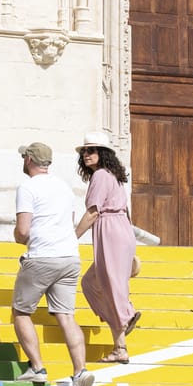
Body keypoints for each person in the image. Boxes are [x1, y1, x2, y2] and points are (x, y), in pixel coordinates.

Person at [10, 141, 92, 386]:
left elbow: (23, 231)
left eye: (24, 157)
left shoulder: (27, 187)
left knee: (21, 312)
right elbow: (68, 223)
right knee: (66, 316)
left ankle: (37, 367)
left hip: (42, 256)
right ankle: (80, 372)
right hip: (69, 256)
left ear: (29, 160)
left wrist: (19, 238)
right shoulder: (64, 187)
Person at [74, 132, 139, 362]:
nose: (86, 155)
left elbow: (93, 211)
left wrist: (72, 237)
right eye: (84, 151)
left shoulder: (101, 175)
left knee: (111, 286)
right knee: (93, 283)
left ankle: (126, 315)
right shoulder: (112, 176)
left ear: (102, 153)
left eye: (91, 150)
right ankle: (120, 344)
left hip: (110, 229)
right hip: (120, 229)